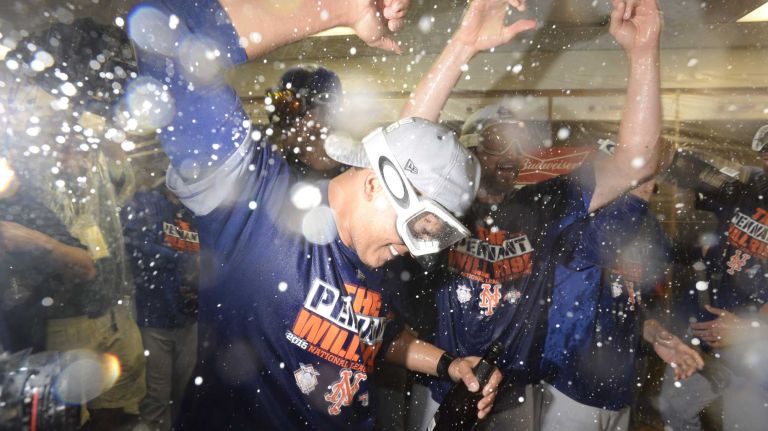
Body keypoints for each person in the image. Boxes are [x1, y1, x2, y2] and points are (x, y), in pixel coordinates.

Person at [127, 0, 503, 429]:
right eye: (420, 229)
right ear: (375, 184)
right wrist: (340, 9)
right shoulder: (253, 206)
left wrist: (446, 364)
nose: (416, 250)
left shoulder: (370, 249)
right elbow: (169, 31)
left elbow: (372, 334)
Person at [400, 0, 662, 428]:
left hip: (516, 390)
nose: (511, 156)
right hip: (441, 381)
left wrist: (643, 52)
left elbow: (638, 162)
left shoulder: (541, 205)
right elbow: (401, 152)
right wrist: (462, 45)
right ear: (471, 147)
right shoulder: (444, 204)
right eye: (497, 142)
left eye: (520, 144)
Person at [540, 175, 704, 431]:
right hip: (569, 389)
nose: (648, 190)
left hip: (619, 393)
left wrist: (655, 333)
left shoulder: (643, 227)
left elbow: (630, 306)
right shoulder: (583, 214)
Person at [657, 129, 768, 430]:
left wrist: (751, 328)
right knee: (674, 407)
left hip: (756, 347)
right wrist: (669, 160)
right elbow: (704, 176)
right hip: (708, 335)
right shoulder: (751, 191)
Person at [122, 173, 200, 431]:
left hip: (190, 319)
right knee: (155, 397)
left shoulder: (199, 209)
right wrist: (184, 261)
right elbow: (136, 247)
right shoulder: (146, 203)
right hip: (153, 318)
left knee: (186, 392)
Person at [267, 64, 345, 178]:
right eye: (280, 106)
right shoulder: (274, 169)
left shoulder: (362, 168)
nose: (282, 117)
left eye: (290, 107)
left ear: (323, 112)